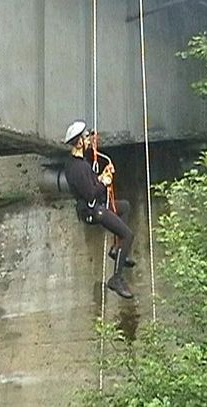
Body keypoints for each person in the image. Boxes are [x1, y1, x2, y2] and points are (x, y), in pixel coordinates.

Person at [63, 120, 136, 299]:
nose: (88, 140)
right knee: (128, 235)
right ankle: (116, 279)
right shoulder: (78, 168)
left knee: (124, 206)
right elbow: (91, 194)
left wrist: (103, 175)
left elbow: (91, 182)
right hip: (93, 211)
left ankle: (116, 250)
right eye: (86, 137)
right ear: (79, 142)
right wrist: (104, 182)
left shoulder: (79, 163)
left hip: (96, 206)